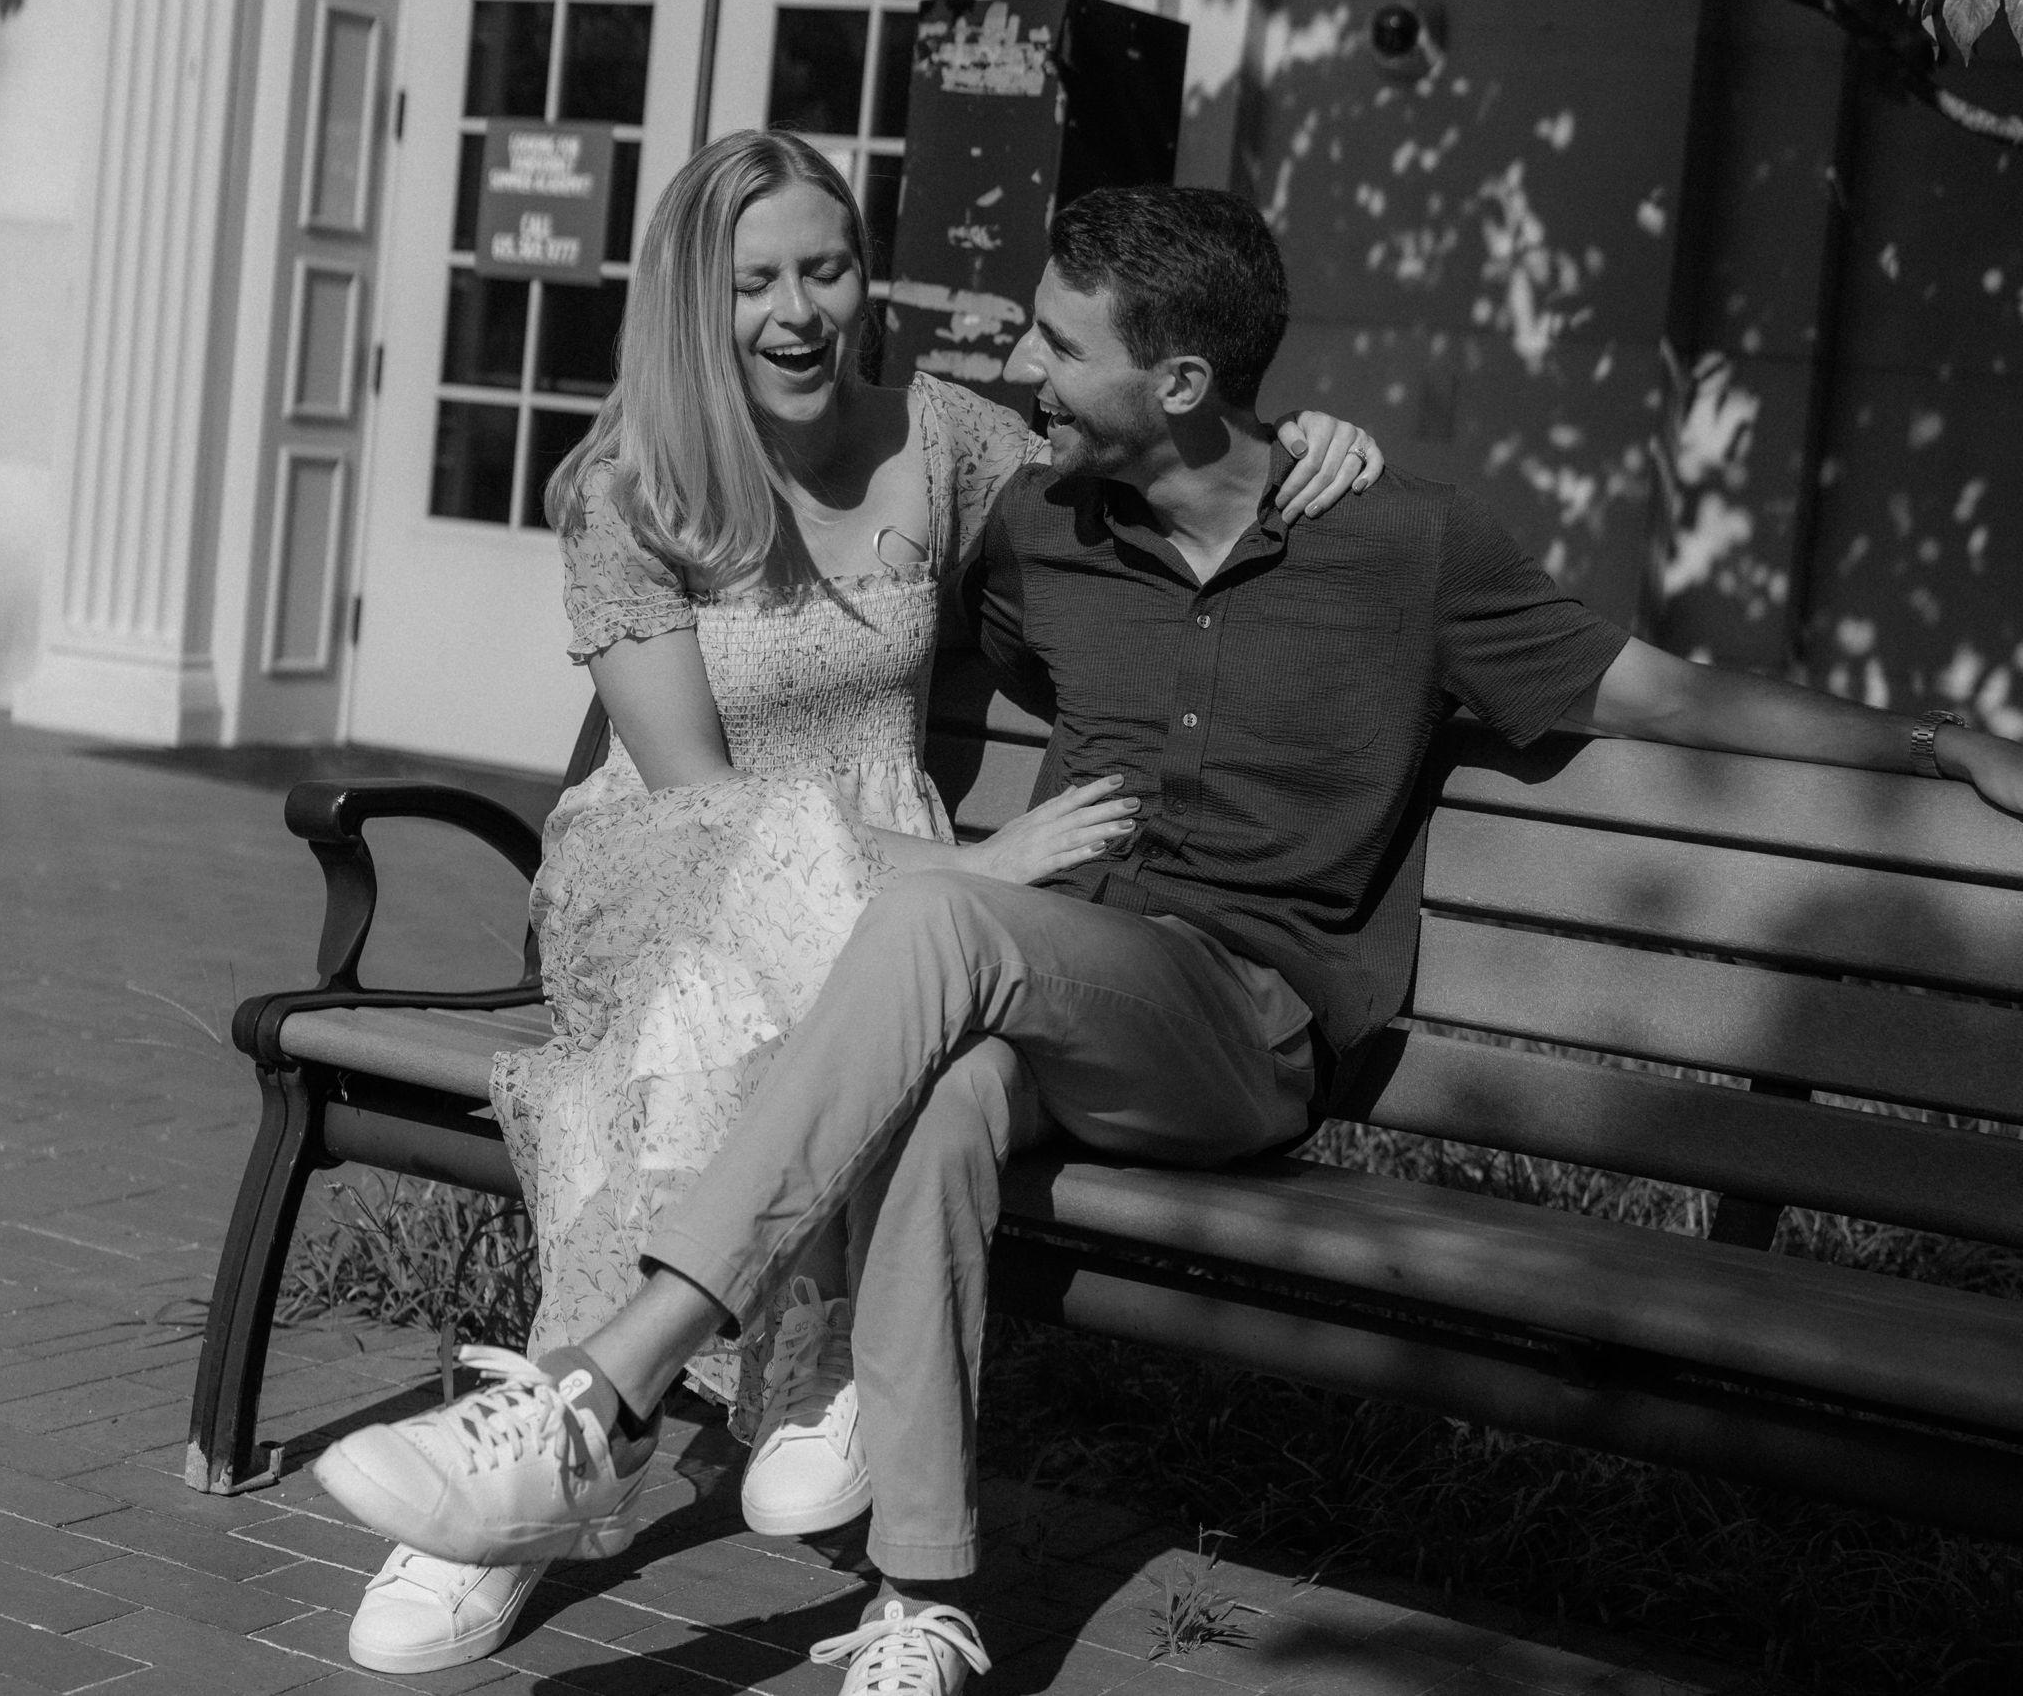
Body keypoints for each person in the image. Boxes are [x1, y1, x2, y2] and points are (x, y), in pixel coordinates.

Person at [317, 183, 2023, 1696]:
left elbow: (1656, 691)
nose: (1020, 368)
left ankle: (599, 1397)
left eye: (1060, 346)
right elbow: (860, 606)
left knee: (944, 917)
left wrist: (1932, 739)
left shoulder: (1408, 547)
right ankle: (922, 1597)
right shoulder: (1048, 530)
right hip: (1059, 990)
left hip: (1243, 1023)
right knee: (951, 1093)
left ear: (1184, 381)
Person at [335, 135, 1383, 1678]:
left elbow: (1149, 457)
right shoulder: (628, 489)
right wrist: (973, 871)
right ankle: (753, 1386)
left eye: (826, 268)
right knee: (714, 995)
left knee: (829, 991)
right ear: (693, 300)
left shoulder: (944, 437)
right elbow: (705, 804)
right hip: (673, 873)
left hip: (883, 899)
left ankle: (559, 1444)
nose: (798, 310)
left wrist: (1294, 439)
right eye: (754, 280)